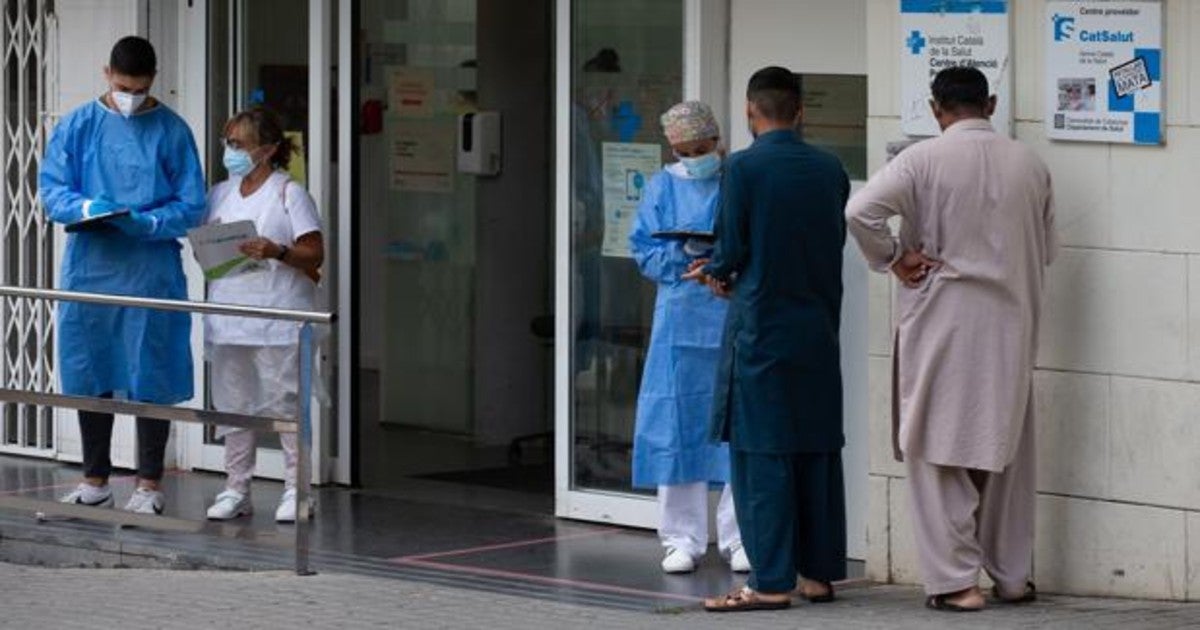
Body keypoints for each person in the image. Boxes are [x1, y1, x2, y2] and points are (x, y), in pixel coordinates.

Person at [845, 66, 1057, 612]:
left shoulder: (919, 160)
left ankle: (956, 583)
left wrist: (895, 259)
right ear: (990, 104)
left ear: (937, 109)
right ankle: (1012, 576)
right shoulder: (1030, 164)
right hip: (1012, 324)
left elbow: (859, 210)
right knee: (1005, 454)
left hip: (943, 319)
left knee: (937, 451)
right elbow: (1047, 249)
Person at [686, 67, 849, 612]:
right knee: (816, 450)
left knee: (762, 455)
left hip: (762, 330)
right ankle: (819, 574)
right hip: (819, 329)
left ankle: (770, 581)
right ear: (800, 111)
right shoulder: (831, 169)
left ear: (752, 113)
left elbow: (733, 248)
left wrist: (715, 271)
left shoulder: (744, 168)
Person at [41, 36, 205, 515]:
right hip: (91, 266)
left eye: (138, 86)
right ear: (105, 73)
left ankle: (149, 485)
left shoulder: (172, 131)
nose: (129, 94)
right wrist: (90, 207)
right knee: (90, 369)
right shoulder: (77, 126)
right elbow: (53, 190)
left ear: (153, 79)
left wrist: (151, 222)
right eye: (121, 85)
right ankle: (95, 479)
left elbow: (191, 203)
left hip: (150, 269)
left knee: (148, 372)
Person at [629, 101, 748, 575]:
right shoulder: (661, 187)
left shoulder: (736, 182)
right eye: (686, 151)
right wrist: (681, 260)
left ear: (718, 141)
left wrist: (721, 263)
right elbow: (643, 249)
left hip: (727, 313)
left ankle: (739, 537)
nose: (696, 157)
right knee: (677, 425)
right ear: (672, 148)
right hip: (679, 321)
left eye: (703, 148)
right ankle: (682, 537)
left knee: (737, 429)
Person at [203, 107, 324, 523]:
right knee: (234, 406)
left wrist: (278, 251)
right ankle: (236, 488)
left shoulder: (289, 192)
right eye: (228, 142)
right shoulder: (220, 193)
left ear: (268, 149)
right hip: (229, 315)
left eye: (239, 144)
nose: (230, 151)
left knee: (284, 403)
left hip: (278, 315)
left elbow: (314, 251)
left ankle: (297, 489)